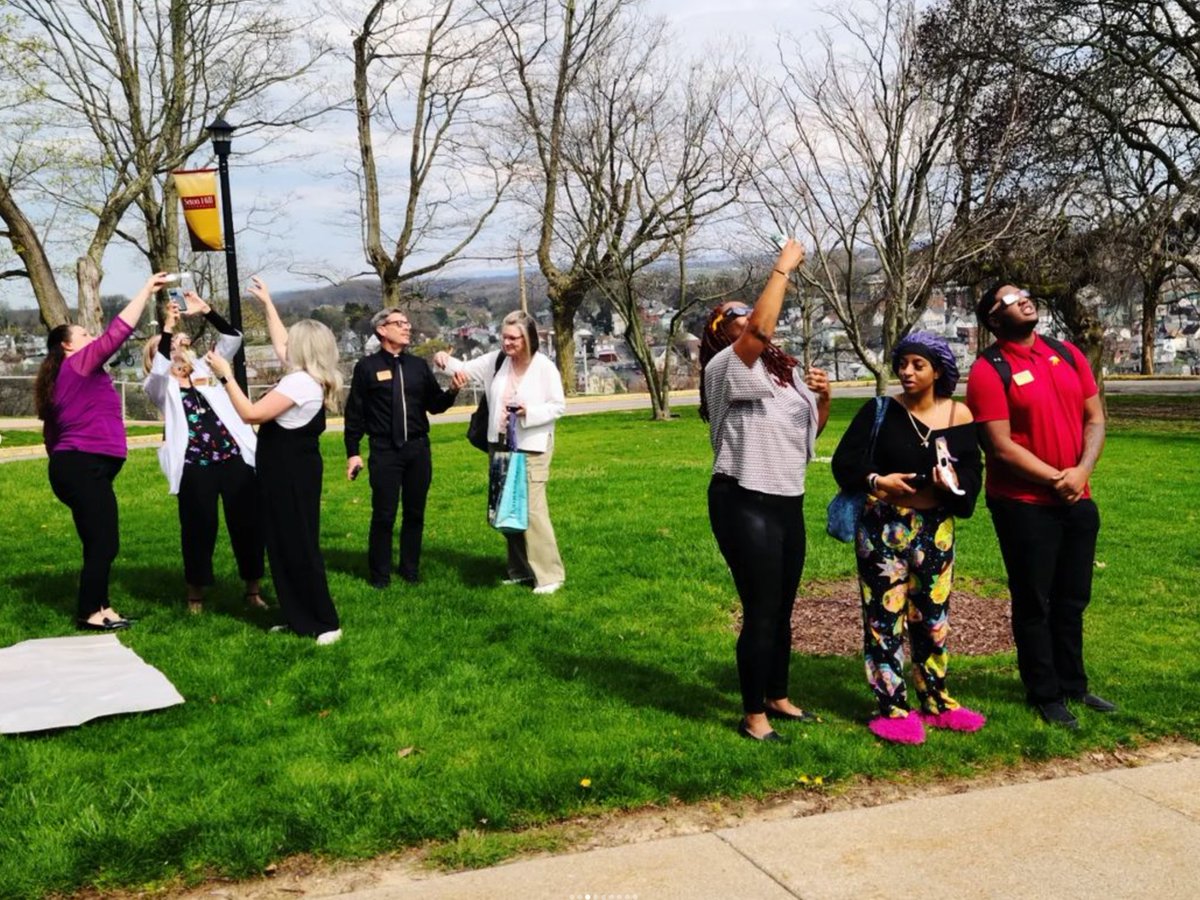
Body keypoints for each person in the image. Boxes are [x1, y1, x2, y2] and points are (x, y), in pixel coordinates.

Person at [699, 239, 831, 742]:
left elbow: (807, 436)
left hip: (785, 498)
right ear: (719, 334)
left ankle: (778, 695)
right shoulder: (724, 367)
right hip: (742, 497)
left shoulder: (785, 373)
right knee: (760, 608)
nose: (747, 314)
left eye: (746, 309)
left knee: (783, 605)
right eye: (734, 313)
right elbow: (760, 327)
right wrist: (782, 268)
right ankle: (752, 715)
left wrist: (823, 399)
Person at [965, 282, 1113, 729]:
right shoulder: (988, 370)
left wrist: (1081, 472)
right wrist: (1054, 477)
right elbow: (1000, 446)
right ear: (994, 319)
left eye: (1023, 293)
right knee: (1035, 602)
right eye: (1009, 299)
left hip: (1077, 497)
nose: (1023, 299)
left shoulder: (1067, 353)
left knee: (1072, 599)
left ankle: (1074, 684)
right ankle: (1044, 693)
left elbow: (1096, 418)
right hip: (1024, 504)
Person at [831, 332, 984, 745]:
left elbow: (973, 474)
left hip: (936, 529)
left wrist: (953, 484)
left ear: (938, 370)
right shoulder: (879, 410)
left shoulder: (959, 416)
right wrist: (877, 480)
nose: (907, 372)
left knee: (933, 619)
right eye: (902, 364)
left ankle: (936, 701)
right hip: (882, 527)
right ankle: (893, 709)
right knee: (884, 618)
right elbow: (846, 463)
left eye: (918, 365)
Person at [205, 278, 343, 645]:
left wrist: (226, 376)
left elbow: (251, 413)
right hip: (286, 472)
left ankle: (325, 622)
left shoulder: (299, 384)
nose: (285, 347)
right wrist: (268, 304)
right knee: (282, 545)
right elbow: (282, 342)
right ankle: (299, 617)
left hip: (291, 476)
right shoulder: (305, 375)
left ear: (304, 349)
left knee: (299, 546)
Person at [35, 271, 171, 630]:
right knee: (104, 541)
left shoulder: (67, 374)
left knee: (101, 541)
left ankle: (103, 607)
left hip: (78, 467)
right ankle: (89, 613)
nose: (90, 337)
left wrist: (67, 462)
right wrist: (145, 290)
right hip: (82, 467)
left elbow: (51, 434)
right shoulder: (78, 365)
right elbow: (117, 333)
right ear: (67, 345)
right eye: (83, 334)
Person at [142, 293, 265, 614]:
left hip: (233, 457)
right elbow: (159, 371)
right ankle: (195, 596)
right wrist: (167, 328)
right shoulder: (158, 387)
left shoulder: (204, 369)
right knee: (199, 527)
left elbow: (232, 338)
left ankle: (253, 590)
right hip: (194, 465)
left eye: (176, 346)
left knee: (248, 525)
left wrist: (206, 311)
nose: (175, 350)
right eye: (165, 348)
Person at [433, 311, 566, 594]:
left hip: (532, 446)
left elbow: (558, 406)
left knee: (531, 509)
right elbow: (463, 369)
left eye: (513, 338)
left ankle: (549, 575)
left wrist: (529, 412)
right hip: (500, 443)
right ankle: (518, 570)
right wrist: (444, 361)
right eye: (504, 337)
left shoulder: (544, 367)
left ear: (528, 338)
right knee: (507, 509)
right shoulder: (497, 360)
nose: (507, 343)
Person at [344, 308, 467, 588]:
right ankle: (380, 576)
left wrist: (452, 391)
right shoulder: (367, 367)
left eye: (408, 323)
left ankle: (410, 570)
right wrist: (353, 452)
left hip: (418, 450)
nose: (407, 328)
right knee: (384, 514)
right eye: (399, 323)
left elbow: (434, 405)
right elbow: (355, 414)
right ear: (382, 330)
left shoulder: (417, 366)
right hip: (385, 450)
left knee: (415, 513)